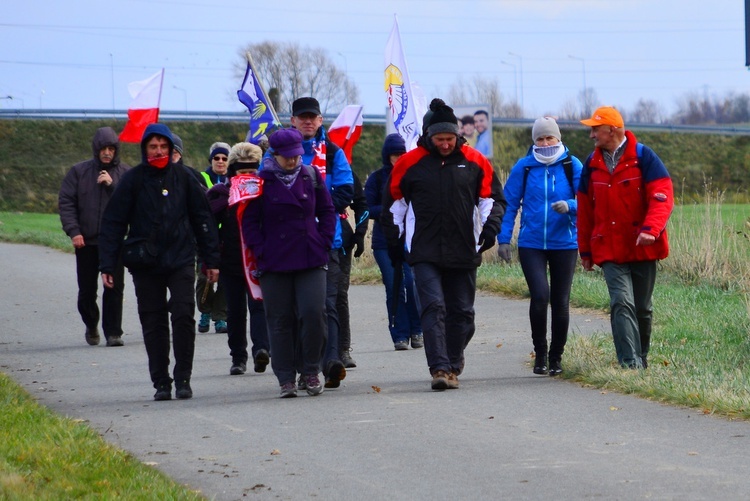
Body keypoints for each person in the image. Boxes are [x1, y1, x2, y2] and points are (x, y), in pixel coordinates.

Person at [382, 98, 506, 391]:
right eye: (440, 139)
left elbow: (492, 200)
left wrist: (489, 230)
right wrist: (395, 241)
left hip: (464, 248)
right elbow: (394, 206)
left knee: (463, 313)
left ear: (457, 136)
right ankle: (439, 368)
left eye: (450, 139)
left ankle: (453, 363)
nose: (446, 144)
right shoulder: (409, 163)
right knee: (434, 307)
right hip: (424, 250)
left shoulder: (475, 161)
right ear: (428, 136)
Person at [99, 123, 220, 401]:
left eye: (163, 146)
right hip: (145, 262)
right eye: (153, 146)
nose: (158, 151)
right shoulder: (133, 180)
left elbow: (203, 219)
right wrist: (108, 264)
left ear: (171, 149)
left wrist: (211, 260)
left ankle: (183, 378)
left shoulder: (186, 178)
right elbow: (114, 223)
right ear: (145, 149)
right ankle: (161, 381)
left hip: (180, 259)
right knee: (153, 322)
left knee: (183, 315)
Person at [241, 128, 337, 398]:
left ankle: (310, 370)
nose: (293, 161)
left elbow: (327, 211)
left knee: (314, 313)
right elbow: (249, 222)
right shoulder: (260, 181)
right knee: (280, 320)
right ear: (275, 155)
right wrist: (260, 251)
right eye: (287, 157)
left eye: (296, 156)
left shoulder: (310, 176)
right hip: (274, 260)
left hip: (311, 256)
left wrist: (325, 240)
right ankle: (285, 377)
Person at [577, 106, 674, 369]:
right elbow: (585, 210)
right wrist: (585, 251)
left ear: (612, 129)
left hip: (643, 245)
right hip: (608, 247)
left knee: (642, 308)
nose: (591, 135)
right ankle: (629, 363)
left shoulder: (644, 157)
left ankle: (642, 358)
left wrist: (650, 230)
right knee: (621, 302)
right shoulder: (591, 164)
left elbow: (662, 197)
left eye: (595, 129)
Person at [497, 117, 583, 376]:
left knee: (560, 300)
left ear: (558, 139)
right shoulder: (524, 167)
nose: (545, 143)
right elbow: (509, 204)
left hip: (565, 242)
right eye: (540, 139)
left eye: (549, 138)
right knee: (540, 295)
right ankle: (541, 354)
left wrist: (570, 206)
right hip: (531, 242)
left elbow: (590, 201)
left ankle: (557, 357)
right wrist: (503, 240)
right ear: (534, 141)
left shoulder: (572, 165)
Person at [290, 96, 354, 389]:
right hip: (288, 244)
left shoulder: (333, 153)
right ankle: (305, 365)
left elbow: (344, 191)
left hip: (328, 241)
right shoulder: (278, 151)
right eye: (302, 117)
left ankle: (331, 362)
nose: (307, 121)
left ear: (320, 121)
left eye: (312, 117)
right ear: (292, 121)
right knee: (299, 309)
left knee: (327, 304)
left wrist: (316, 212)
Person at [59, 127, 130, 347]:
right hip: (86, 242)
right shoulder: (78, 172)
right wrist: (74, 231)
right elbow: (66, 202)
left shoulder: (126, 174)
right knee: (87, 291)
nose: (107, 153)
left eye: (111, 148)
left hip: (113, 242)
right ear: (96, 149)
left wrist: (112, 185)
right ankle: (91, 324)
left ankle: (113, 332)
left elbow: (132, 204)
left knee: (114, 288)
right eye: (103, 149)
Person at [206, 142, 271, 376]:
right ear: (233, 171)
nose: (247, 176)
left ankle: (261, 349)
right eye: (242, 172)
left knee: (259, 307)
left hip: (258, 260)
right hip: (231, 260)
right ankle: (238, 357)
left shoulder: (265, 193)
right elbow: (209, 229)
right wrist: (210, 261)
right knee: (234, 311)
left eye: (251, 172)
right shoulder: (220, 195)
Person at [365, 133, 423, 351]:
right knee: (394, 286)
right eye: (394, 154)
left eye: (401, 153)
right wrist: (392, 210)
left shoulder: (413, 175)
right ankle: (399, 334)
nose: (398, 157)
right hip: (384, 242)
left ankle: (417, 330)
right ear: (387, 155)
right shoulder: (377, 178)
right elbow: (367, 208)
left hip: (410, 240)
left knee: (412, 284)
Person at [196, 141, 230, 334]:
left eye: (224, 158)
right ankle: (205, 310)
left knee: (225, 280)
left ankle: (220, 316)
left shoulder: (233, 180)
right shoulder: (201, 178)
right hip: (205, 237)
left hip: (225, 238)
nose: (220, 161)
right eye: (216, 158)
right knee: (204, 278)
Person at [337, 171, 369, 368]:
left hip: (341, 238)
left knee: (339, 294)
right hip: (306, 238)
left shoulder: (344, 170)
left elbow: (361, 204)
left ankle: (343, 349)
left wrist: (360, 232)